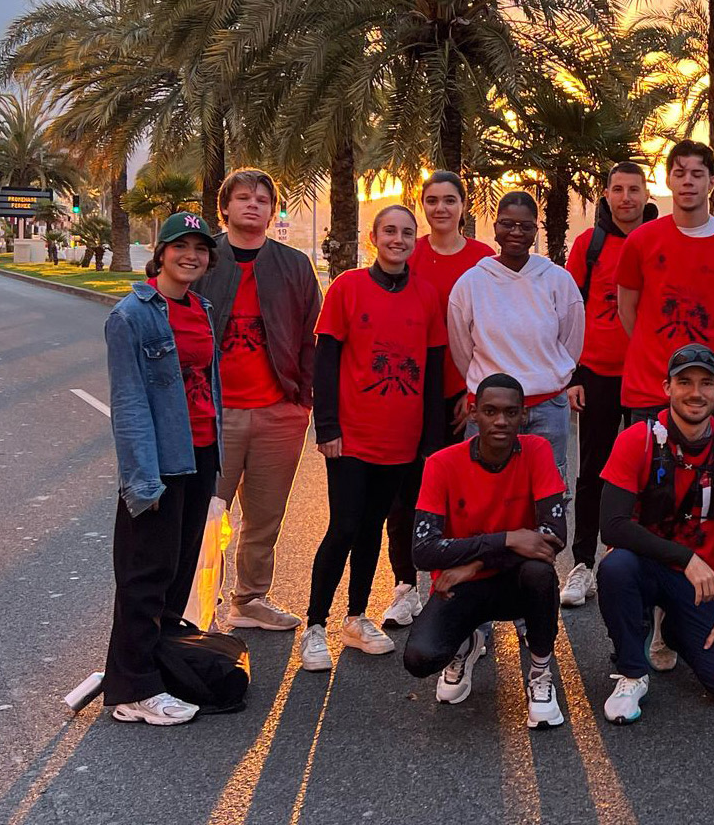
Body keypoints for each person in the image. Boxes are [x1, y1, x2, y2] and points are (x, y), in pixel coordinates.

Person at [298, 206, 448, 673]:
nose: (398, 239)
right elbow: (326, 361)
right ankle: (315, 625)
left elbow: (434, 372)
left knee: (371, 529)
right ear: (373, 237)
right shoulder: (347, 287)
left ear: (415, 240)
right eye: (390, 231)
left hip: (401, 440)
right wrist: (327, 427)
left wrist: (432, 440)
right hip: (351, 438)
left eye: (407, 233)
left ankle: (356, 617)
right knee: (343, 527)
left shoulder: (426, 295)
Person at [596, 344, 714, 724]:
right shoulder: (638, 440)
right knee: (615, 567)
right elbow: (613, 525)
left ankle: (672, 628)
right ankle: (632, 672)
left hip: (705, 581)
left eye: (706, 383)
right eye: (684, 382)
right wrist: (686, 558)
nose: (695, 392)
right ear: (667, 387)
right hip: (649, 566)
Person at [101, 212, 223, 725]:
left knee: (176, 571)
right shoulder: (131, 316)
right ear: (161, 253)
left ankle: (157, 669)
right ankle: (134, 690)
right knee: (145, 574)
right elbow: (129, 404)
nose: (191, 256)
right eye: (180, 246)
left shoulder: (201, 308)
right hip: (161, 459)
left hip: (201, 452)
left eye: (200, 248)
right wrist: (141, 479)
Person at [402, 374, 570, 729]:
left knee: (540, 572)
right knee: (420, 658)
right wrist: (507, 539)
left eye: (511, 412)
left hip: (513, 581)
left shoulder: (537, 450)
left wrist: (474, 564)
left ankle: (540, 674)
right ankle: (467, 643)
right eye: (490, 411)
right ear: (473, 413)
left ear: (524, 415)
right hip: (460, 587)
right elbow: (423, 551)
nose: (501, 421)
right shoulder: (442, 463)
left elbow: (554, 535)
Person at [195, 168, 321, 634]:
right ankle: (196, 608)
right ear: (225, 208)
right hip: (214, 416)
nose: (253, 204)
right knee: (206, 517)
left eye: (263, 199)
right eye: (244, 197)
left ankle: (249, 600)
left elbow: (313, 336)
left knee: (265, 518)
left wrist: (301, 403)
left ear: (272, 212)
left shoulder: (294, 265)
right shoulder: (203, 260)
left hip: (278, 413)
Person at [380, 171, 496, 630]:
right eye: (432, 200)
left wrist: (473, 391)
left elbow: (491, 328)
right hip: (410, 394)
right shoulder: (410, 253)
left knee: (464, 496)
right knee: (405, 494)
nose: (441, 208)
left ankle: (462, 584)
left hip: (464, 395)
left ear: (464, 205)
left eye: (450, 200)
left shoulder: (483, 259)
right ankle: (404, 585)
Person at [561, 161, 657, 608]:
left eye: (634, 189)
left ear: (646, 194)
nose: (626, 198)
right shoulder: (589, 244)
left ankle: (631, 558)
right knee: (593, 471)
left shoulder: (659, 241)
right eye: (617, 189)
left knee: (645, 473)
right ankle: (583, 562)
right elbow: (568, 310)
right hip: (596, 373)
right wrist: (573, 375)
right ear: (606, 195)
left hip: (648, 374)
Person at [447, 190, 584, 491]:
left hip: (548, 407)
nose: (516, 232)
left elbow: (571, 344)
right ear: (495, 227)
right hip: (488, 409)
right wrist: (484, 386)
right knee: (481, 490)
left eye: (526, 226)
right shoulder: (471, 283)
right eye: (507, 224)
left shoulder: (557, 280)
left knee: (546, 493)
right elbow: (462, 348)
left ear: (536, 229)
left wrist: (549, 374)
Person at [616, 141, 714, 422]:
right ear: (669, 180)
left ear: (712, 182)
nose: (688, 182)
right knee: (646, 453)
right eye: (680, 173)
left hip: (710, 390)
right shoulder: (640, 241)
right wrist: (652, 346)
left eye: (697, 174)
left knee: (711, 453)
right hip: (650, 389)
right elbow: (626, 309)